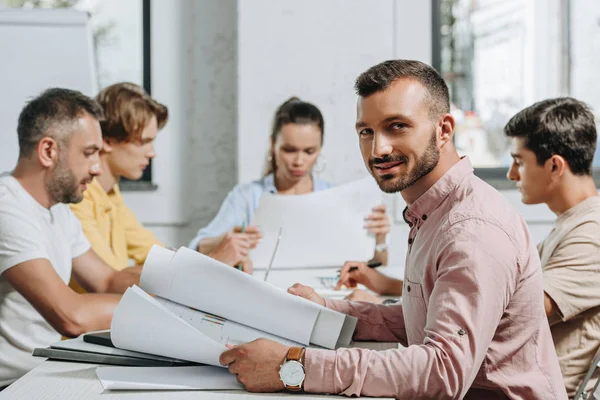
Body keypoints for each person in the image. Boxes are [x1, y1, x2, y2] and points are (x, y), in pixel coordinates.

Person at [218, 60, 567, 399]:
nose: (378, 149)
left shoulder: (472, 230)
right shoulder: (432, 213)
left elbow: (442, 373)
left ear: (443, 130)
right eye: (366, 131)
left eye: (396, 126)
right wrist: (325, 309)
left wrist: (292, 367)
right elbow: (419, 318)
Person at [0, 88, 142, 388]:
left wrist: (180, 284)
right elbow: (71, 316)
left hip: (41, 375)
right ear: (49, 151)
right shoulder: (6, 209)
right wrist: (161, 308)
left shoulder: (58, 210)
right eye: (89, 153)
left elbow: (107, 280)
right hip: (12, 385)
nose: (96, 167)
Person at [188, 97, 390, 270]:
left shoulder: (335, 196)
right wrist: (225, 242)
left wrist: (379, 239)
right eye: (289, 150)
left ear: (320, 149)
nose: (299, 161)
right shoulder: (247, 196)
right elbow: (195, 247)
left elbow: (376, 264)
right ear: (272, 145)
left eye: (309, 151)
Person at [505, 97, 600, 397]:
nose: (512, 174)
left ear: (555, 165)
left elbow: (521, 311)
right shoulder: (572, 223)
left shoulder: (592, 233)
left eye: (519, 161)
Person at [68, 83, 166, 289]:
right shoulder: (77, 199)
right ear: (108, 141)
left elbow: (154, 253)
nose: (152, 153)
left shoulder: (110, 194)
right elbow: (110, 279)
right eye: (143, 142)